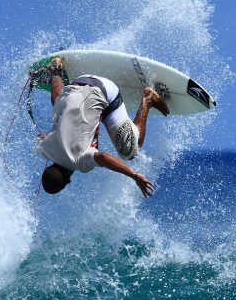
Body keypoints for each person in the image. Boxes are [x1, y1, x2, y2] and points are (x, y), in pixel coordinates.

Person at [32, 56, 170, 197]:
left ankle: (148, 98)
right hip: (79, 82)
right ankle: (56, 71)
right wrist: (46, 138)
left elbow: (103, 157)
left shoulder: (78, 162)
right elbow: (41, 137)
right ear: (48, 167)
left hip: (105, 91)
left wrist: (134, 176)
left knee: (130, 151)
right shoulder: (44, 149)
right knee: (58, 106)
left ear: (68, 180)